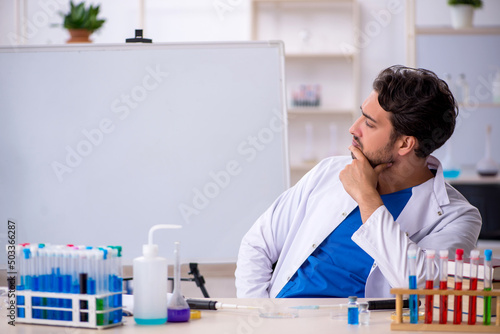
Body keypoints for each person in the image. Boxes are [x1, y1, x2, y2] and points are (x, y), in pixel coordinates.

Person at [235, 65, 482, 298]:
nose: (354, 128)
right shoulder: (329, 171)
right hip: (280, 319)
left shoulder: (457, 217)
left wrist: (367, 197)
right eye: (361, 116)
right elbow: (257, 245)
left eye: (369, 123)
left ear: (405, 143)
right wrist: (257, 312)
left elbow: (419, 287)